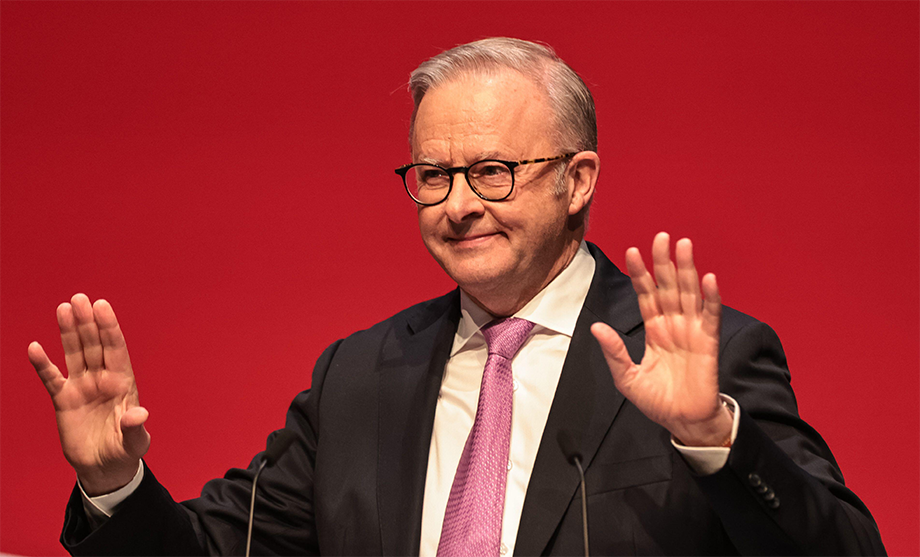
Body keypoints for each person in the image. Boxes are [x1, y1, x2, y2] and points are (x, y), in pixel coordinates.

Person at [29, 38, 886, 556]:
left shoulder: (704, 358)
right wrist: (114, 481)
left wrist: (711, 439)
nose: (458, 203)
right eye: (432, 174)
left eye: (492, 171)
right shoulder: (360, 376)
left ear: (577, 178)